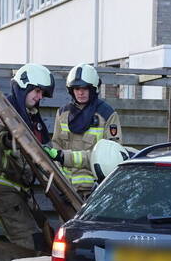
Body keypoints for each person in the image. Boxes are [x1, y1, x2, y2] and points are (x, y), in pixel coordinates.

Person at [0, 63, 54, 253]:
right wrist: (19, 140)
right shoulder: (2, 110)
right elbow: (2, 138)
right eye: (37, 91)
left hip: (21, 189)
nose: (39, 97)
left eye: (42, 94)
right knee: (30, 239)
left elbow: (47, 150)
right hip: (2, 185)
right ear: (24, 85)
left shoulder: (33, 118)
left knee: (47, 235)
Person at [47, 64, 122, 197]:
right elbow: (56, 143)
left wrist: (65, 157)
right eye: (76, 88)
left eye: (84, 88)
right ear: (71, 90)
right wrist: (60, 179)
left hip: (94, 191)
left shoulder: (108, 115)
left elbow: (111, 156)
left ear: (93, 89)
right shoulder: (63, 113)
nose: (80, 93)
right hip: (66, 189)